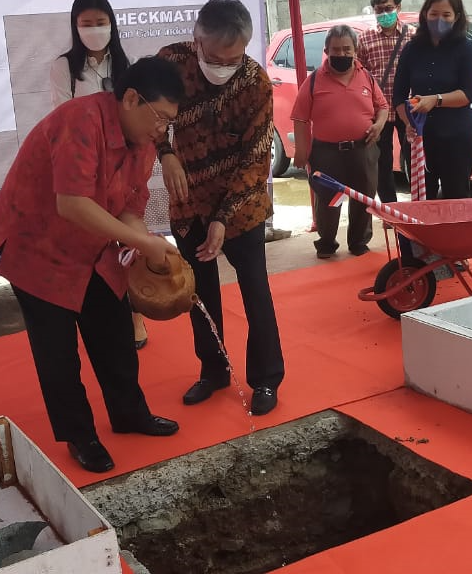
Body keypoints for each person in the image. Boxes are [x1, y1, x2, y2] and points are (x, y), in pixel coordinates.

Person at [0, 57, 185, 474]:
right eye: (160, 118)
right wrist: (142, 241)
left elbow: (130, 207)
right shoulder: (82, 121)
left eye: (169, 123)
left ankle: (129, 414)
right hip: (39, 245)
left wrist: (147, 243)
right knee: (57, 351)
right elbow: (72, 204)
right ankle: (80, 435)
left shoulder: (143, 144)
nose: (162, 130)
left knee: (115, 333)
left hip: (94, 245)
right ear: (131, 99)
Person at [156, 0, 285, 415]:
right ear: (197, 39)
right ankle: (212, 370)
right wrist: (165, 153)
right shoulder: (171, 63)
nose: (223, 67)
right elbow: (150, 113)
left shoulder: (256, 83)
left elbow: (255, 161)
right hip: (188, 201)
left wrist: (223, 218)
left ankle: (266, 379)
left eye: (234, 59)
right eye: (214, 58)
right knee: (199, 292)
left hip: (240, 205)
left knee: (255, 290)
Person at [50, 0, 151, 350]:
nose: (95, 29)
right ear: (75, 26)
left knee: (129, 237)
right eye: (87, 23)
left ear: (112, 24)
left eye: (100, 22)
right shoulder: (63, 67)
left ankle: (135, 311)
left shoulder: (127, 64)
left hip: (122, 162)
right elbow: (62, 117)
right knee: (94, 237)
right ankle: (93, 313)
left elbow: (135, 114)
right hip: (83, 164)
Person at [291, 25, 388, 258]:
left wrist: (378, 125)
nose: (342, 54)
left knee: (364, 196)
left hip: (362, 149)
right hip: (327, 152)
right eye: (336, 49)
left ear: (355, 50)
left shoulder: (367, 77)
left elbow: (383, 107)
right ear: (326, 51)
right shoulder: (314, 81)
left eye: (347, 49)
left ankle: (359, 242)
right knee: (328, 199)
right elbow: (300, 118)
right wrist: (301, 152)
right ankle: (326, 243)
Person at [393, 0, 472, 200]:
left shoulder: (465, 48)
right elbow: (398, 95)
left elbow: (469, 93)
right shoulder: (412, 49)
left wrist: (436, 100)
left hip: (457, 138)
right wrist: (409, 123)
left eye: (446, 15)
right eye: (434, 14)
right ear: (425, 14)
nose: (439, 20)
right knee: (421, 201)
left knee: (456, 199)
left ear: (456, 17)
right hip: (420, 139)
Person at [358, 0, 412, 205]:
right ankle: (390, 210)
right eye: (379, 10)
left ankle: (419, 206)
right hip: (378, 113)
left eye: (388, 8)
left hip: (409, 110)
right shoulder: (364, 39)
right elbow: (359, 76)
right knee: (382, 163)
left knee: (413, 159)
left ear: (398, 7)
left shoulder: (413, 36)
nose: (384, 14)